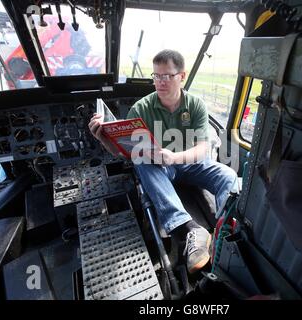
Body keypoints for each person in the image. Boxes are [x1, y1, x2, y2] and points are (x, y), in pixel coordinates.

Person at [89, 49, 238, 273]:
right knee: (141, 159)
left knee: (228, 175)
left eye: (167, 76)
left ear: (182, 76)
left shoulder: (195, 105)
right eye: (156, 76)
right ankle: (187, 229)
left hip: (191, 162)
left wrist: (174, 156)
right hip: (161, 169)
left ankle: (223, 231)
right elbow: (126, 152)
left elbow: (203, 148)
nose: (160, 82)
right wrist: (104, 140)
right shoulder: (141, 109)